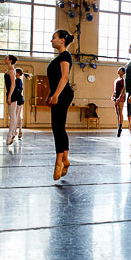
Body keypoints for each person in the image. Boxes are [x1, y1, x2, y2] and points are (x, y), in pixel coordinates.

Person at [47, 30, 75, 180]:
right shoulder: (59, 57)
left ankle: (59, 162)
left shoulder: (65, 56)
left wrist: (56, 95)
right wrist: (50, 94)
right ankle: (64, 159)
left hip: (63, 93)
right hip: (59, 93)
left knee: (57, 127)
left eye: (54, 38)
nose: (52, 40)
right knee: (58, 127)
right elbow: (55, 79)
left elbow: (64, 77)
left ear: (62, 40)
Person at [3, 54, 21, 146]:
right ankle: (13, 133)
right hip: (11, 93)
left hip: (13, 94)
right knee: (12, 115)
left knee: (12, 115)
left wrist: (9, 96)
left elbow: (13, 84)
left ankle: (10, 135)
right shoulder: (10, 70)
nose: (4, 59)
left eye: (6, 58)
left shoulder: (11, 70)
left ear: (10, 61)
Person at [14, 68, 32, 140]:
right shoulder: (19, 80)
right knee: (18, 116)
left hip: (18, 99)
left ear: (18, 73)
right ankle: (19, 131)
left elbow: (19, 90)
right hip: (20, 99)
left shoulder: (18, 81)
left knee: (16, 116)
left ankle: (16, 131)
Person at [112, 67, 126, 137]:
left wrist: (121, 97)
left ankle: (120, 126)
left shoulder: (123, 80)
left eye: (120, 70)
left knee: (120, 111)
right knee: (117, 112)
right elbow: (115, 90)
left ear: (123, 72)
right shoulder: (116, 80)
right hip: (116, 95)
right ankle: (118, 124)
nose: (118, 70)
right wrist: (113, 96)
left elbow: (123, 89)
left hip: (120, 96)